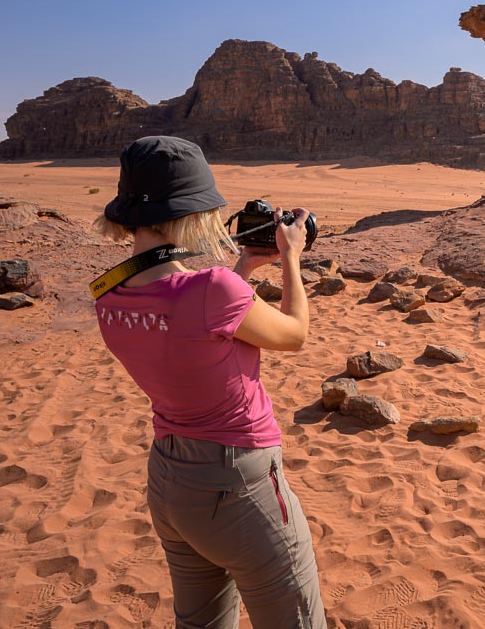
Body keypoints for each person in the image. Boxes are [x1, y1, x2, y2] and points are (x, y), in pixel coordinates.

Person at [92, 135, 327, 628]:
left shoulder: (108, 297)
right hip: (239, 483)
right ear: (190, 211)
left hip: (170, 481)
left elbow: (187, 320)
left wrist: (242, 268)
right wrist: (290, 258)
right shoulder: (212, 290)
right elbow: (295, 335)